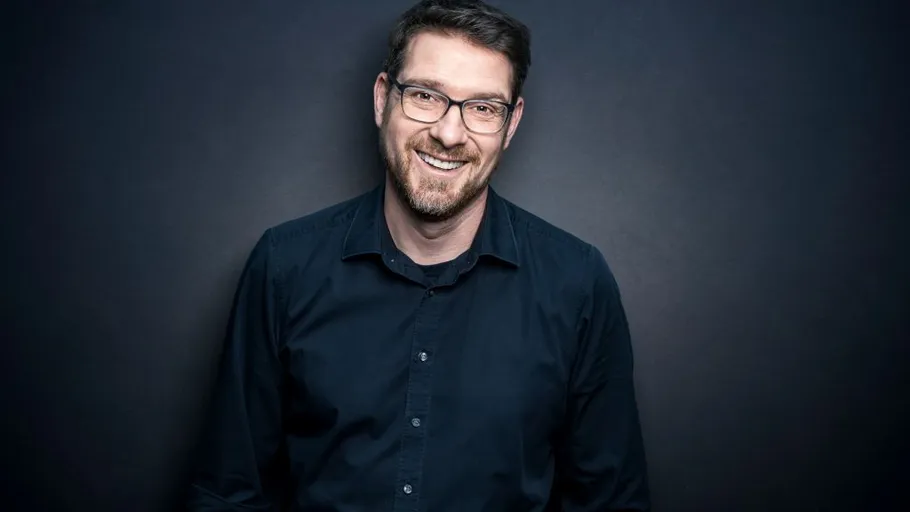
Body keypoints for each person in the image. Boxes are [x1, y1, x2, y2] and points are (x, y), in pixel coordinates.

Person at [186, 0, 650, 510]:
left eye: (483, 108)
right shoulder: (284, 266)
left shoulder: (578, 283)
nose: (449, 134)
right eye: (426, 96)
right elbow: (227, 495)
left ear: (512, 123)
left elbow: (611, 503)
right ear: (382, 98)